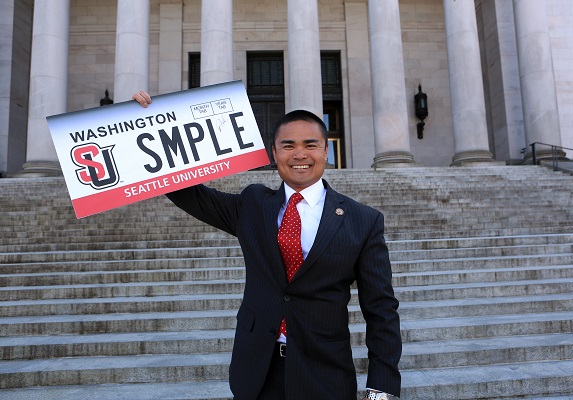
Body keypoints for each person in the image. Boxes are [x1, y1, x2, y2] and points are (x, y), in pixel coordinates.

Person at [133, 90, 402, 400]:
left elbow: (381, 309)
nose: (299, 154)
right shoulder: (253, 205)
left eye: (310, 145)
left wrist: (382, 387)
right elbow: (189, 193)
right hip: (256, 373)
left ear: (325, 150)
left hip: (324, 374)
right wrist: (148, 123)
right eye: (288, 145)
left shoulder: (362, 220)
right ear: (274, 153)